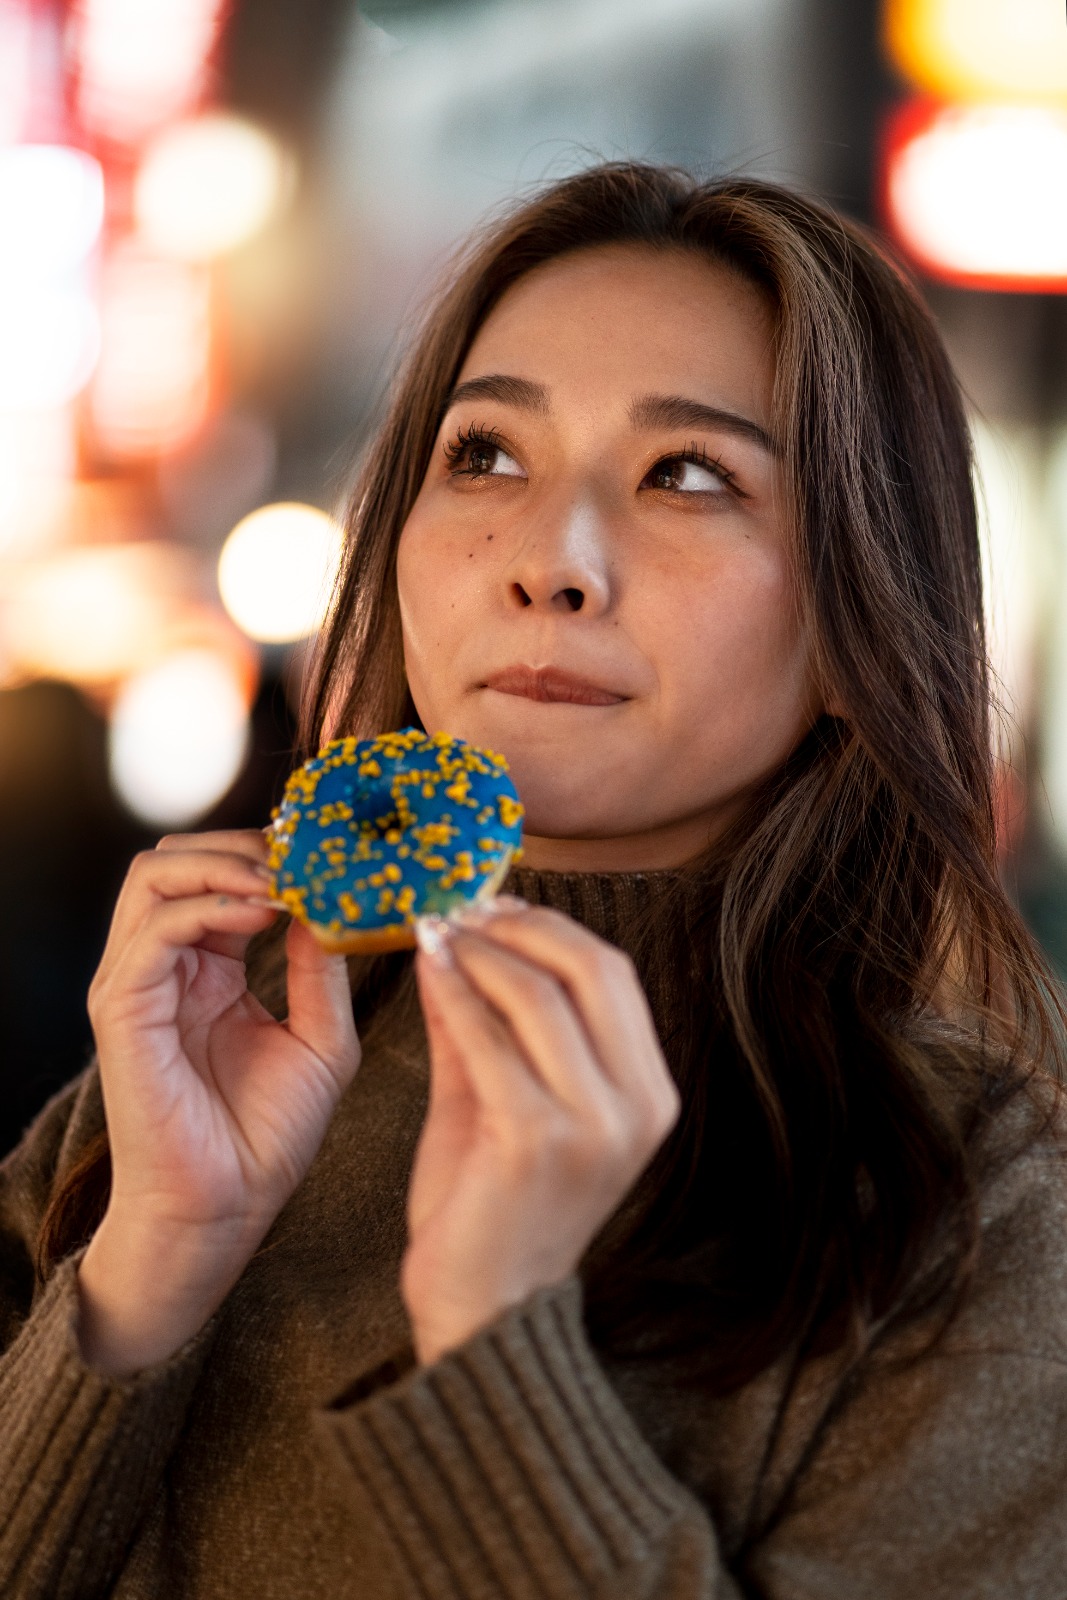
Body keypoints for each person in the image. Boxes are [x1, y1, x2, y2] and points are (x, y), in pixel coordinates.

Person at [2, 162, 1066, 1599]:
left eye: (689, 476)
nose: (549, 562)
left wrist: (498, 1350)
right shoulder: (192, 1065)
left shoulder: (975, 1207)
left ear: (855, 618)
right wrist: (145, 1268)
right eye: (486, 456)